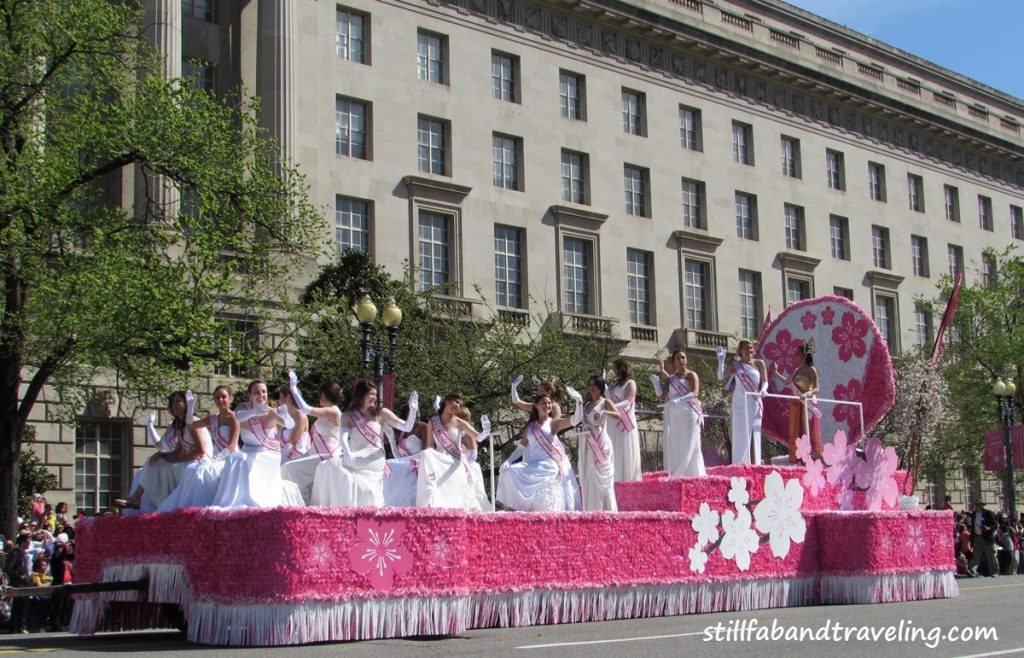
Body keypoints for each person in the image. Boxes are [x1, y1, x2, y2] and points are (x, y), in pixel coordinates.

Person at [311, 379, 419, 507]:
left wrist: (412, 411)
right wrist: (347, 451)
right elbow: (343, 436)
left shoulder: (381, 413)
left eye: (375, 394)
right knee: (325, 466)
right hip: (354, 455)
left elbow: (406, 427)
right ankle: (329, 508)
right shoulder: (348, 415)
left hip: (374, 456)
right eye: (371, 394)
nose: (374, 397)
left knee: (333, 467)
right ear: (361, 395)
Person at [210, 379, 304, 509]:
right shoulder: (243, 409)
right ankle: (234, 499)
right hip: (248, 451)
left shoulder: (272, 412)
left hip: (267, 454)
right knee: (235, 459)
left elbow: (290, 425)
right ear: (249, 395)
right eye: (256, 392)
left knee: (241, 460)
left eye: (263, 391)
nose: (261, 395)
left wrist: (286, 416)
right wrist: (254, 412)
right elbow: (237, 417)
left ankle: (252, 499)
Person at [116, 391, 204, 511]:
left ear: (186, 404)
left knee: (169, 469)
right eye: (173, 402)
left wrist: (179, 459)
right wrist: (160, 455)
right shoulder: (179, 426)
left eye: (178, 401)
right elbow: (176, 452)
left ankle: (164, 503)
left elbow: (201, 450)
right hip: (188, 460)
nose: (174, 405)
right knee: (155, 462)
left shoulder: (193, 421)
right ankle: (136, 498)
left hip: (200, 462)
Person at [496, 393, 581, 512]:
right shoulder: (530, 426)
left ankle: (519, 507)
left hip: (548, 464)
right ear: (536, 405)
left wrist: (579, 402)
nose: (547, 405)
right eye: (544, 403)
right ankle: (516, 506)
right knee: (509, 471)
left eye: (549, 403)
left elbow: (576, 420)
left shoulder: (553, 423)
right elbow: (521, 447)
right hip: (534, 463)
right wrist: (508, 461)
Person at [415, 393, 492, 511]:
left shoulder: (460, 422)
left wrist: (486, 430)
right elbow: (430, 446)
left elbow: (479, 437)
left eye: (459, 404)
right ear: (447, 401)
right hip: (438, 460)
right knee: (427, 456)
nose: (457, 405)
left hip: (455, 462)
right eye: (455, 401)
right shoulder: (433, 422)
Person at [157, 389, 230, 512]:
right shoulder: (212, 419)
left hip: (224, 458)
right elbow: (190, 426)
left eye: (223, 397)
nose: (220, 400)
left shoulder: (233, 417)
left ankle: (190, 508)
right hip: (213, 458)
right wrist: (190, 408)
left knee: (193, 471)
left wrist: (216, 459)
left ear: (231, 398)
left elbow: (232, 446)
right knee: (163, 466)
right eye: (217, 397)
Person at [282, 373, 343, 505]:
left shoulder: (333, 411)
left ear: (324, 396)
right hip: (315, 453)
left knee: (289, 469)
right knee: (287, 467)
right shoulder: (327, 411)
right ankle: (303, 504)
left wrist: (293, 388)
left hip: (327, 456)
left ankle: (300, 505)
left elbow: (305, 408)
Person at [653, 349, 705, 477]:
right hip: (675, 415)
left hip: (689, 413)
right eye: (678, 358)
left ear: (686, 360)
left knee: (690, 443)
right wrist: (655, 383)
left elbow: (694, 393)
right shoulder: (671, 379)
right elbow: (662, 396)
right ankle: (679, 473)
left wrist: (679, 400)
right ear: (674, 361)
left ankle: (691, 474)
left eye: (683, 358)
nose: (681, 360)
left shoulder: (691, 375)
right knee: (677, 443)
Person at [769, 338, 821, 464]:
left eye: (797, 354)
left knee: (807, 431)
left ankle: (811, 459)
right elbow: (787, 382)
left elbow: (816, 388)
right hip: (795, 405)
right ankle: (799, 459)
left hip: (806, 405)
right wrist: (775, 372)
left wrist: (807, 394)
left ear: (804, 355)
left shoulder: (811, 369)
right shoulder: (797, 371)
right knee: (796, 431)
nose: (795, 357)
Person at [718, 340, 768, 465]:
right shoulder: (736, 365)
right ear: (740, 350)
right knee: (741, 434)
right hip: (739, 403)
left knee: (754, 432)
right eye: (746, 348)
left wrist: (763, 390)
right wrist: (720, 361)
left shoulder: (759, 363)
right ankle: (741, 464)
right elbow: (721, 376)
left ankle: (755, 463)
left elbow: (765, 381)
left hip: (754, 400)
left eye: (751, 348)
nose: (749, 350)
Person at [576, 375, 619, 511]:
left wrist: (604, 413)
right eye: (590, 385)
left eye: (594, 385)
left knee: (602, 479)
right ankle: (591, 509)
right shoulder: (587, 405)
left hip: (601, 443)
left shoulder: (605, 402)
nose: (591, 387)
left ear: (600, 387)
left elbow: (618, 415)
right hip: (587, 443)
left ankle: (606, 509)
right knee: (589, 476)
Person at [606, 358, 642, 482]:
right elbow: (606, 398)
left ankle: (628, 480)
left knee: (625, 450)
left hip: (625, 422)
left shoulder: (630, 383)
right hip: (613, 421)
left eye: (616, 368)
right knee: (614, 449)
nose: (614, 371)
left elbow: (628, 402)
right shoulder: (613, 385)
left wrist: (612, 407)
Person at [4, 534, 31, 633]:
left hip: (23, 583)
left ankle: (19, 626)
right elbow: (8, 569)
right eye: (28, 542)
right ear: (23, 542)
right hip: (17, 583)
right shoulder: (15, 554)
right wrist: (19, 576)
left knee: (23, 604)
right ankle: (16, 626)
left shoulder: (22, 554)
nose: (29, 544)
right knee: (19, 604)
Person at [969, 500, 998, 577]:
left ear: (982, 505)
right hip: (977, 537)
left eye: (979, 505)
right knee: (976, 555)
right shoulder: (973, 514)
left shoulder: (988, 513)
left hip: (987, 537)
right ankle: (972, 570)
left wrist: (988, 528)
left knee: (991, 555)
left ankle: (994, 571)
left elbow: (995, 524)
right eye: (976, 505)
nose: (977, 506)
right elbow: (972, 526)